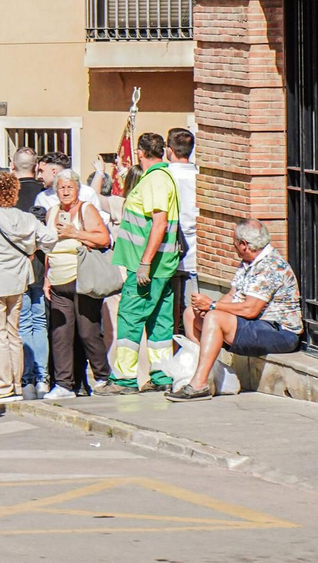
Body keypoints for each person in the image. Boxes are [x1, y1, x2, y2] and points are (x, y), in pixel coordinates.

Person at [168, 220, 302, 402]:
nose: (233, 246)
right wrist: (205, 309)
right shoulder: (248, 263)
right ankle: (206, 374)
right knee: (191, 314)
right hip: (254, 324)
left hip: (280, 332)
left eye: (234, 242)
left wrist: (212, 306)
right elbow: (232, 295)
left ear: (244, 244)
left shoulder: (270, 266)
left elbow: (250, 309)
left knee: (214, 318)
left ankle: (199, 384)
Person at [100, 132, 182, 394]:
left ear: (140, 152)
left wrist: (145, 262)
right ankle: (162, 375)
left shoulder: (155, 180)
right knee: (159, 322)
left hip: (147, 267)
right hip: (161, 265)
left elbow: (159, 223)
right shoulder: (162, 177)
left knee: (130, 318)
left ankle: (124, 379)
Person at [0, 170, 54, 402]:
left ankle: (4, 386)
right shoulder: (25, 218)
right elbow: (50, 238)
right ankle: (18, 385)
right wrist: (31, 249)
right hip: (19, 280)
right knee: (14, 333)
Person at [43, 169, 112, 398]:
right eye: (61, 187)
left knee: (88, 331)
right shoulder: (52, 212)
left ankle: (103, 377)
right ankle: (64, 384)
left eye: (69, 187)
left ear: (77, 189)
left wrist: (76, 233)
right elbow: (48, 248)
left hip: (83, 279)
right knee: (60, 334)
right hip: (58, 281)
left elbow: (103, 239)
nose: (65, 192)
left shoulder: (86, 209)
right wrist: (46, 278)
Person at [167, 128, 199, 315]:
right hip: (196, 249)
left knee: (169, 309)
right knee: (193, 308)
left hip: (171, 246)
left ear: (169, 150)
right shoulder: (199, 174)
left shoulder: (165, 175)